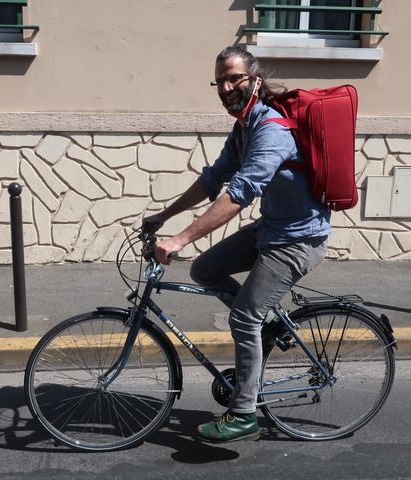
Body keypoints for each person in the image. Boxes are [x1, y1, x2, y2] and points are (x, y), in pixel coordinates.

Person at [143, 45, 331, 443]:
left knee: (243, 317)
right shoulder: (243, 128)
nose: (226, 87)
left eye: (235, 78)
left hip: (299, 239)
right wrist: (165, 214)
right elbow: (213, 180)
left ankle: (243, 413)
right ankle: (270, 322)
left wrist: (179, 238)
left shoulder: (273, 130)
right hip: (272, 229)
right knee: (205, 269)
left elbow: (239, 194)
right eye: (221, 80)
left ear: (254, 80)